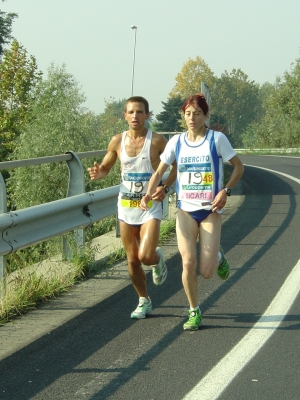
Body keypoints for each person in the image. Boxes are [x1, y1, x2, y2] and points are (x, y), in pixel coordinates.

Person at [140, 93, 244, 331]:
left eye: (197, 113)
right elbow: (159, 171)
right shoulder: (176, 142)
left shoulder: (216, 140)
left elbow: (238, 167)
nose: (192, 118)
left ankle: (217, 257)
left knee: (206, 272)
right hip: (185, 210)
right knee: (188, 263)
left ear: (206, 115)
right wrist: (149, 192)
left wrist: (226, 191)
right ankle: (194, 311)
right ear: (183, 116)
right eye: (188, 114)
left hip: (210, 210)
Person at [88, 96, 176, 320]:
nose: (135, 116)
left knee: (145, 256)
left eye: (140, 112)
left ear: (147, 115)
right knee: (132, 260)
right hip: (126, 207)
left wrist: (165, 187)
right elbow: (106, 167)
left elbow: (177, 166)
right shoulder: (117, 141)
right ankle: (144, 300)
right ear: (125, 115)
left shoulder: (157, 141)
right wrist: (99, 174)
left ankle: (157, 259)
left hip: (149, 206)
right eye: (131, 112)